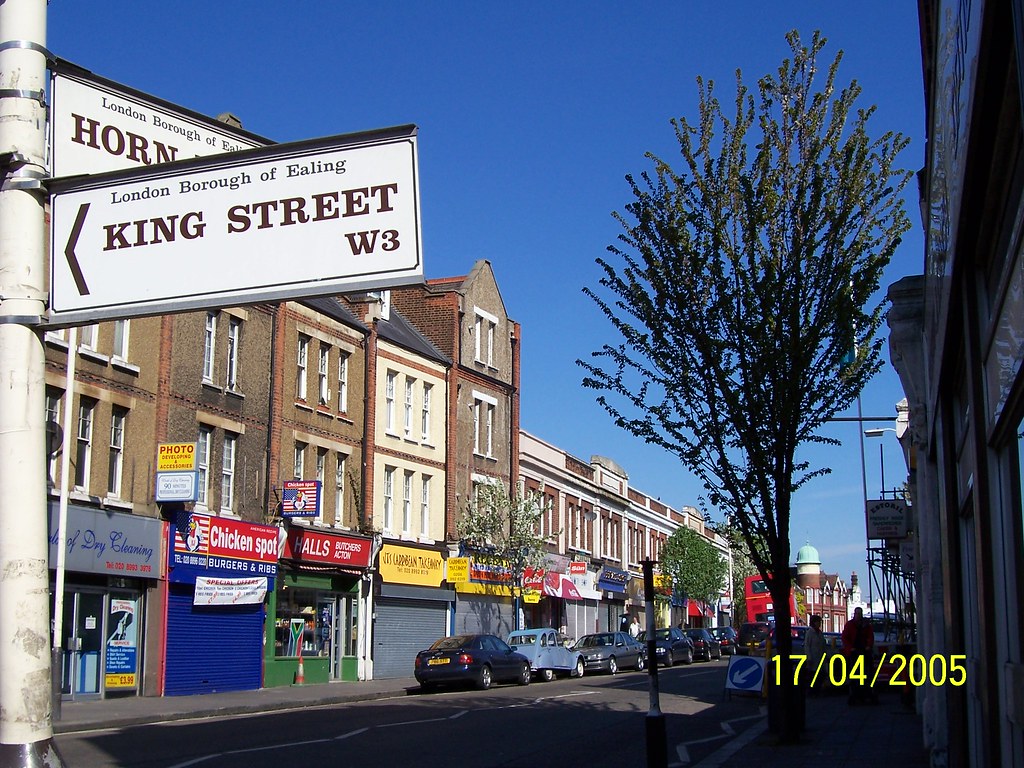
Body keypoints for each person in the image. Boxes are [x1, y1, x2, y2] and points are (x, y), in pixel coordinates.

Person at [842, 607, 875, 704]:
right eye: (857, 613)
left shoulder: (866, 625)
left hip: (864, 652)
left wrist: (868, 646)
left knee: (866, 674)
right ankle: (856, 694)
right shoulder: (850, 625)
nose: (858, 615)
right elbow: (845, 637)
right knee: (855, 675)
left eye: (859, 613)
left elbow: (870, 636)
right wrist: (850, 648)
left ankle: (865, 694)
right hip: (854, 652)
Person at [804, 614, 827, 694]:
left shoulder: (819, 633)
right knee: (812, 675)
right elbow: (807, 646)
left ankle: (817, 690)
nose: (819, 624)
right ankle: (812, 691)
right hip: (813, 658)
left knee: (820, 674)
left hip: (820, 657)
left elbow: (823, 645)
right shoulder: (810, 633)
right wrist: (809, 658)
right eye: (818, 622)